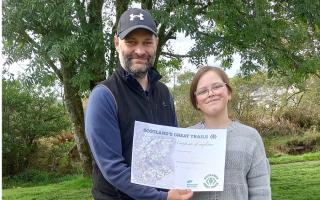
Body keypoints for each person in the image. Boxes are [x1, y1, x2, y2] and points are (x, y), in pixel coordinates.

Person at [85, 8, 193, 200]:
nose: (140, 51)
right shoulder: (104, 96)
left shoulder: (164, 92)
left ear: (156, 44)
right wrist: (161, 198)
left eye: (147, 42)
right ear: (117, 43)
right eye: (131, 42)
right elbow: (113, 169)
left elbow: (175, 147)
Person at [188, 66, 271, 200]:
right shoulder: (185, 139)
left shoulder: (250, 137)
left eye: (216, 86)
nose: (211, 93)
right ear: (196, 102)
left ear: (229, 93)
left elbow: (260, 192)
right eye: (203, 91)